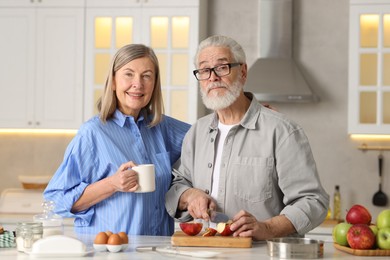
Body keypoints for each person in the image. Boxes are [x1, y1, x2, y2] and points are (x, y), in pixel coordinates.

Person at [165, 35, 329, 241]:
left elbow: (313, 201)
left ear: (242, 72)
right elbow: (177, 184)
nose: (213, 77)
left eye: (222, 67)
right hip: (205, 251)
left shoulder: (282, 131)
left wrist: (267, 228)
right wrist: (190, 196)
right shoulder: (197, 132)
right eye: (205, 70)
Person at [44, 44, 190, 235]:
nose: (138, 84)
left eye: (146, 76)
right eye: (128, 74)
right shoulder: (92, 133)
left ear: (154, 84)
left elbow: (208, 139)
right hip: (109, 252)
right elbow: (55, 200)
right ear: (113, 81)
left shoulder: (163, 127)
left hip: (158, 250)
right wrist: (112, 184)